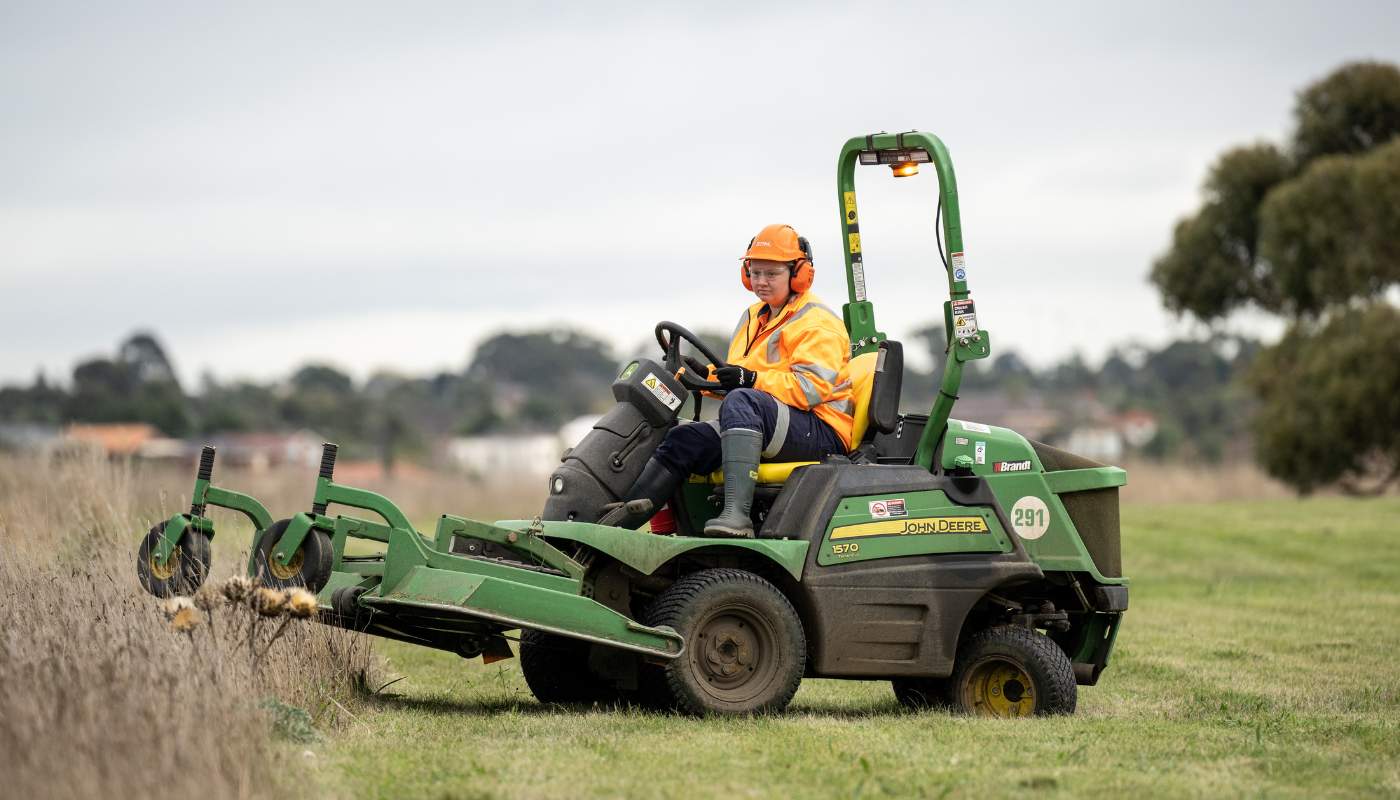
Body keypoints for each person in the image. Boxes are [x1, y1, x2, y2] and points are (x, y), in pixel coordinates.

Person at [615, 223, 855, 538]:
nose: (761, 281)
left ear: (799, 275)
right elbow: (742, 381)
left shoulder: (817, 323)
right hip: (770, 419)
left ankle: (736, 519)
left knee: (743, 400)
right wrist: (705, 375)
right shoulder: (753, 316)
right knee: (679, 440)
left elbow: (808, 390)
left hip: (821, 431)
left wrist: (749, 380)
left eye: (772, 274)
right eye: (755, 272)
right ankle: (615, 531)